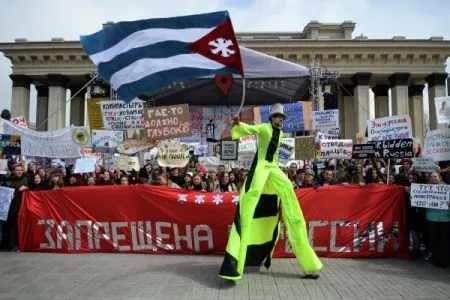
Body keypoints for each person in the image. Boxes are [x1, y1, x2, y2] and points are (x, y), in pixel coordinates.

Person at [219, 103, 322, 281]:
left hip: (273, 168)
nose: (280, 120)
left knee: (288, 189)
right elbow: (250, 128)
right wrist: (238, 124)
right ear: (271, 118)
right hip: (260, 168)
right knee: (251, 199)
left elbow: (275, 156)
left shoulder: (281, 133)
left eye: (282, 118)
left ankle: (308, 264)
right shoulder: (264, 128)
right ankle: (236, 263)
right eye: (277, 117)